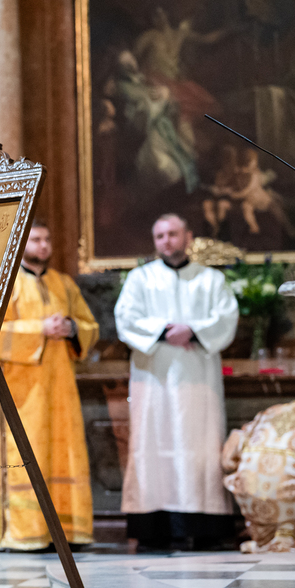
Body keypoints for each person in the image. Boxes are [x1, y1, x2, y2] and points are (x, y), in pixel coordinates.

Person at [114, 213, 239, 550]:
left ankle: (205, 527)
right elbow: (125, 318)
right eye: (160, 236)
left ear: (188, 237)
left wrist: (193, 331)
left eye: (172, 234)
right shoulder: (140, 279)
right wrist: (164, 331)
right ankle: (154, 529)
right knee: (152, 442)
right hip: (152, 378)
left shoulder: (211, 279)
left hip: (198, 378)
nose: (166, 241)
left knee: (199, 443)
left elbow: (226, 318)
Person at [0, 221, 99, 551]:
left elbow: (90, 326)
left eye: (47, 239)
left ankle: (68, 529)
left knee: (65, 453)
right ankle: (24, 532)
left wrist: (72, 328)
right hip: (19, 391)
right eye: (36, 239)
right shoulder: (5, 284)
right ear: (22, 243)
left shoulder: (63, 283)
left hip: (61, 388)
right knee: (25, 452)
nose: (43, 245)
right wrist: (39, 329)